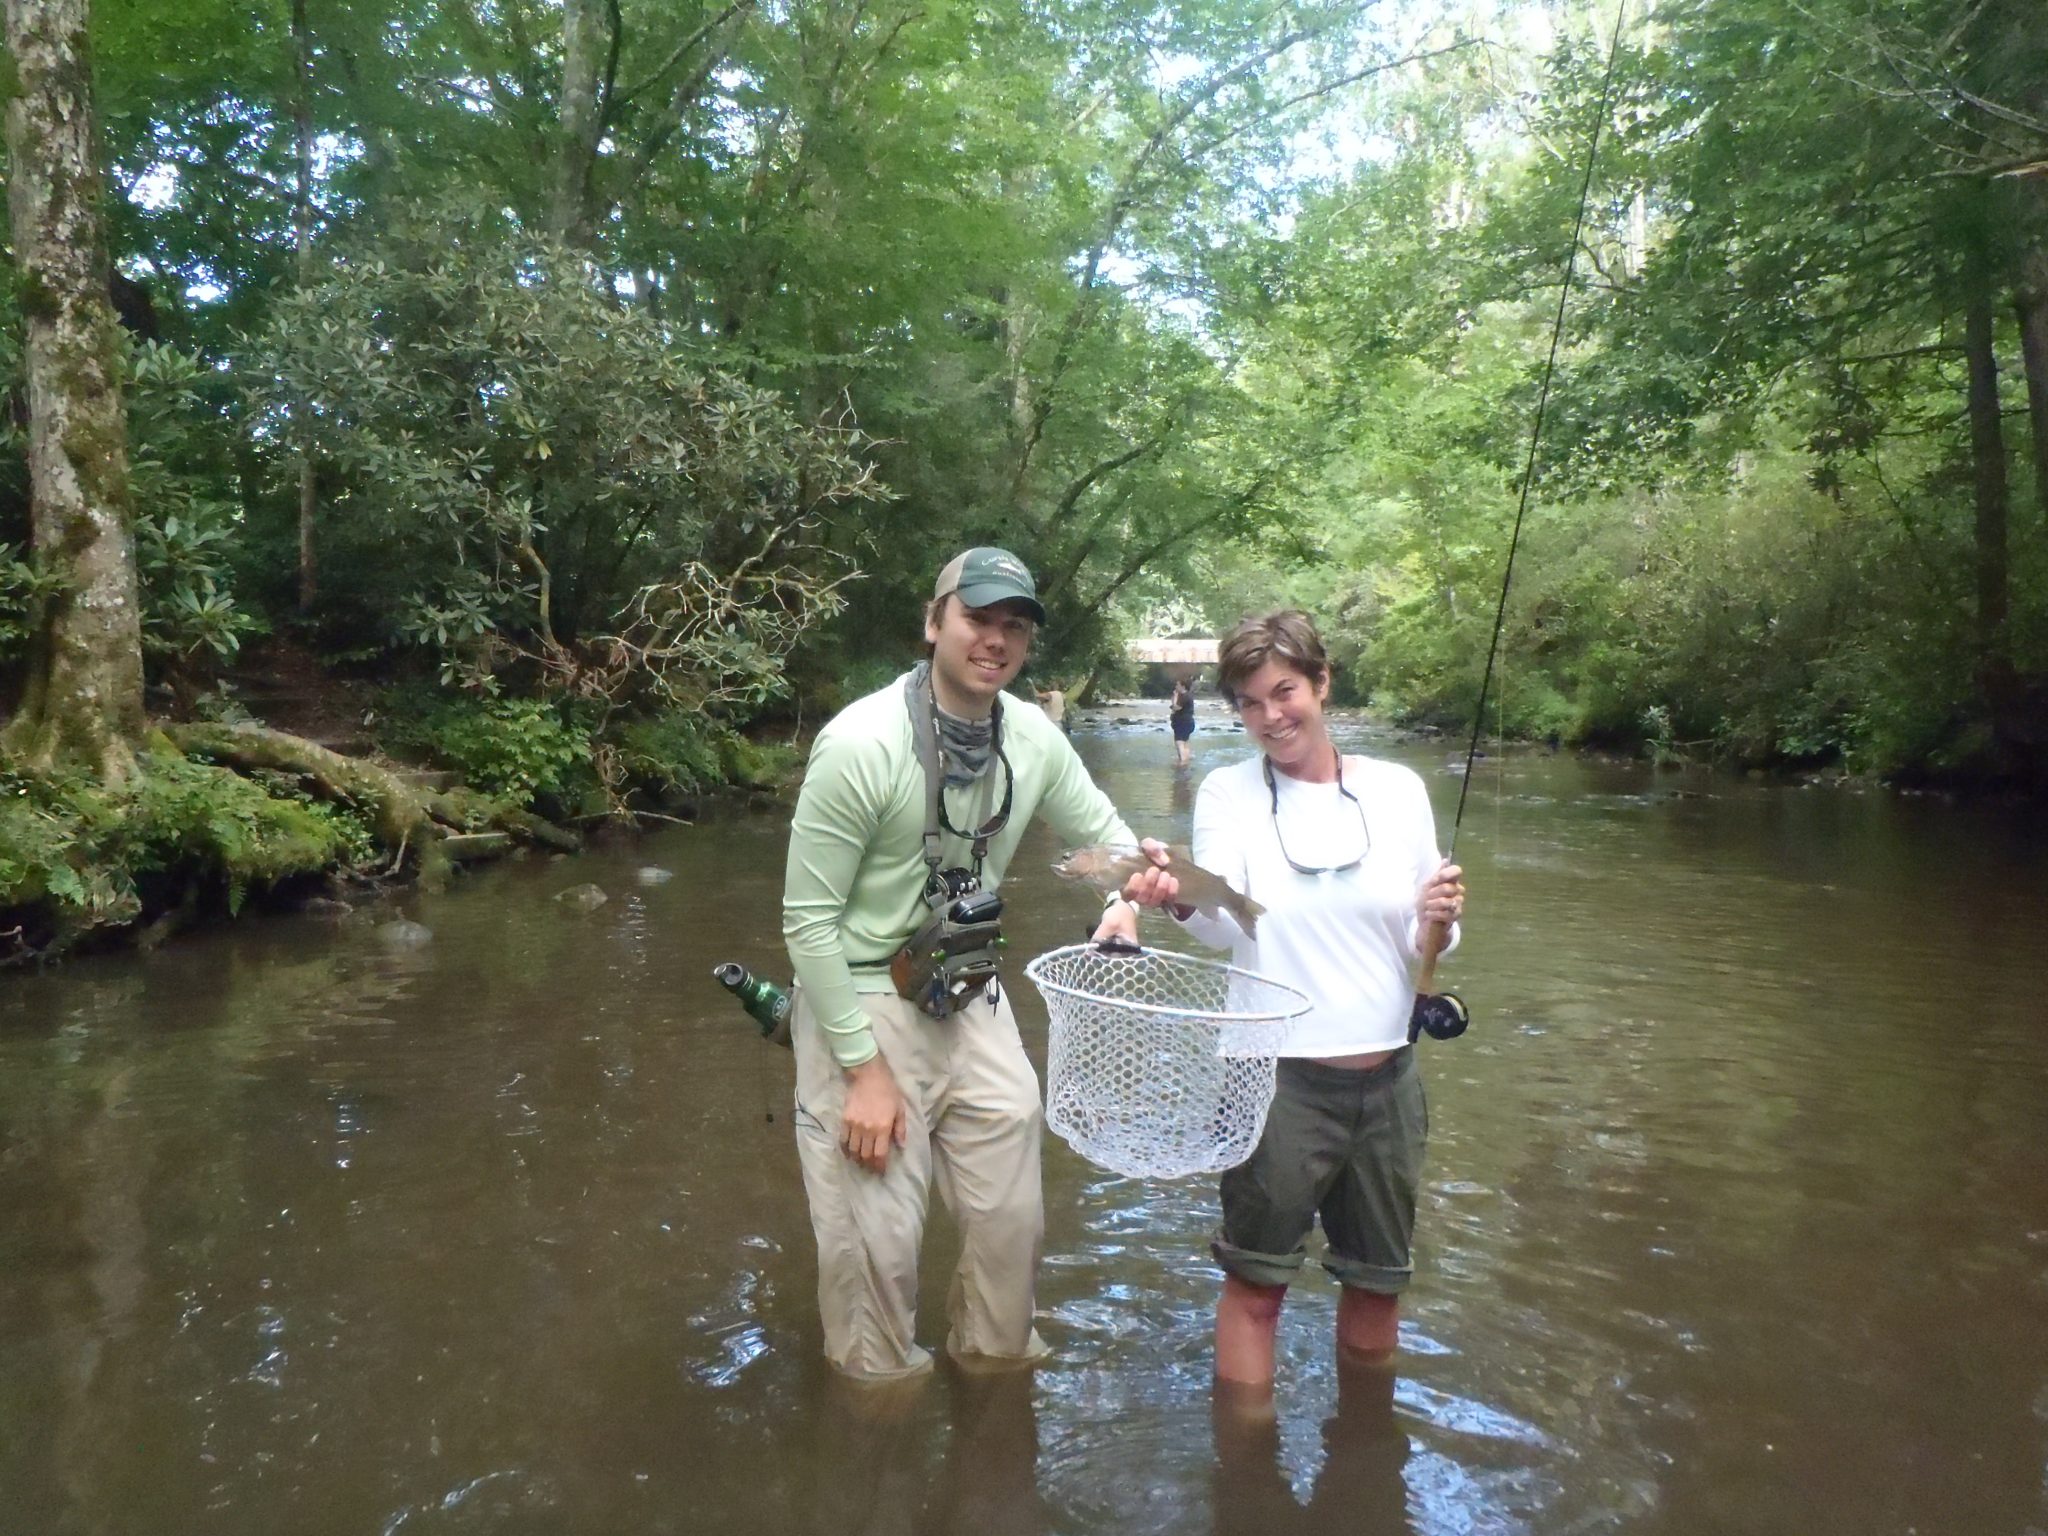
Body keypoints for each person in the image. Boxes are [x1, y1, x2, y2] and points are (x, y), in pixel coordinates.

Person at [782, 547, 1175, 1382]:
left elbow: (1100, 839)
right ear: (934, 623)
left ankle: (995, 1388)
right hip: (860, 995)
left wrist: (1126, 892)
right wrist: (862, 1072)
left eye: (1014, 627)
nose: (994, 640)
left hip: (969, 990)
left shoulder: (1031, 733)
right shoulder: (859, 744)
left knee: (1012, 1226)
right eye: (977, 618)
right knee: (878, 1264)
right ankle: (874, 1408)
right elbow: (807, 922)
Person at [1121, 610, 1464, 1388]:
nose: (1271, 717)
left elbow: (1427, 945)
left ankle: (1367, 1458)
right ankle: (1247, 1469)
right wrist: (1176, 900)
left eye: (1284, 692)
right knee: (1257, 1287)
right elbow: (1219, 927)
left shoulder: (1399, 790)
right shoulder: (1228, 792)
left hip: (1389, 1083)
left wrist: (1442, 922)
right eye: (1249, 703)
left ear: (1321, 683)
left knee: (1380, 1289)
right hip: (1271, 1080)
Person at [1170, 677, 1197, 766]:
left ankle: (1183, 763)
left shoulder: (1184, 696)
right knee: (1185, 742)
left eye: (1177, 684)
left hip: (1182, 722)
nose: (1176, 686)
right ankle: (1185, 760)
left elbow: (1176, 707)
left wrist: (1175, 697)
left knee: (1180, 743)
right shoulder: (1188, 695)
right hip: (1187, 722)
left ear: (1183, 686)